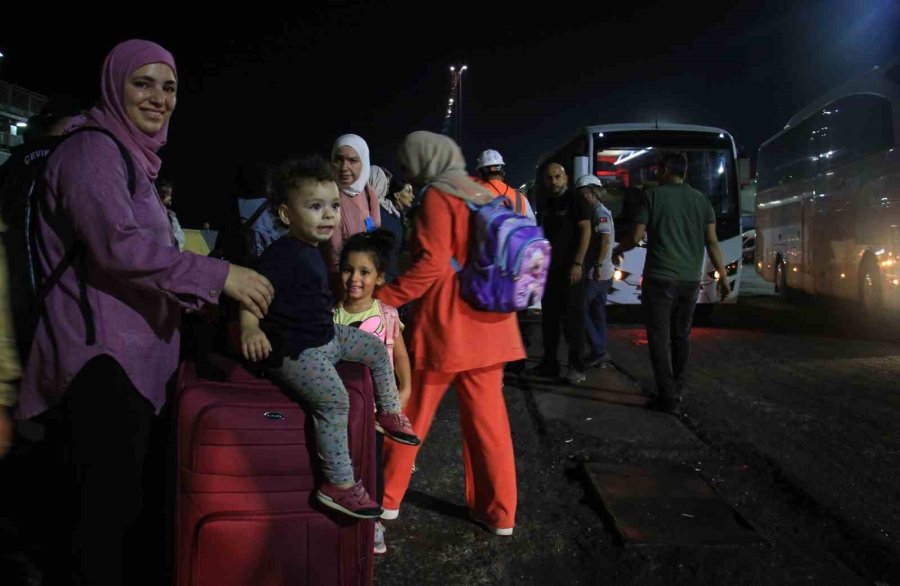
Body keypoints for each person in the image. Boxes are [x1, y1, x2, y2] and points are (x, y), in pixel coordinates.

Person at [14, 40, 274, 585]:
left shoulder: (132, 159)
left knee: (124, 518)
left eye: (170, 86)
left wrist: (197, 291)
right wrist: (219, 276)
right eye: (143, 83)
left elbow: (140, 260)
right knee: (101, 529)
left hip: (133, 363)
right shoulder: (92, 152)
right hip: (101, 365)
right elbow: (119, 248)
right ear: (114, 85)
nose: (159, 98)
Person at [239, 155, 419, 519]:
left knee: (372, 346)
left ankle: (388, 412)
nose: (329, 215)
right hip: (295, 351)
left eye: (334, 205)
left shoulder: (312, 250)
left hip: (324, 335)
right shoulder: (280, 255)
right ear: (287, 215)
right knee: (336, 402)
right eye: (316, 206)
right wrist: (249, 327)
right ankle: (337, 484)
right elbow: (250, 290)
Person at [375, 131, 524, 536]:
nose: (408, 173)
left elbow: (432, 265)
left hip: (448, 327)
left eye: (410, 164)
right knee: (489, 425)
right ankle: (499, 514)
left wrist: (382, 297)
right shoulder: (481, 191)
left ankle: (386, 499)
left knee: (410, 415)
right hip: (494, 324)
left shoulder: (439, 197)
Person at [612, 152, 731, 415]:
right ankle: (676, 388)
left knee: (658, 337)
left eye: (657, 168)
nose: (655, 172)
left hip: (659, 277)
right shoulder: (701, 200)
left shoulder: (652, 197)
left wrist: (617, 249)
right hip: (690, 280)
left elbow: (636, 236)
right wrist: (722, 276)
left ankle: (667, 396)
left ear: (665, 170)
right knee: (681, 335)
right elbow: (711, 241)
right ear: (684, 173)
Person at [334, 229, 412, 554]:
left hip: (376, 413)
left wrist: (402, 394)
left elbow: (401, 359)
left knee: (372, 468)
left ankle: (373, 522)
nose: (355, 278)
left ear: (379, 278)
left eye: (364, 272)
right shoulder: (329, 314)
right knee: (340, 466)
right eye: (348, 269)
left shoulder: (387, 316)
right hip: (340, 411)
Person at [525, 162, 593, 384]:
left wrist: (577, 263)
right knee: (550, 322)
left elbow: (586, 231)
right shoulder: (547, 202)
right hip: (550, 273)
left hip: (570, 271)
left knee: (573, 322)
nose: (553, 181)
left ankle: (577, 367)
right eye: (549, 178)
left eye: (557, 177)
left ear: (565, 178)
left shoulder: (576, 200)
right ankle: (549, 364)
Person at [575, 175, 615, 367]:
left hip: (598, 273)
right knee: (598, 313)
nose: (580, 198)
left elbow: (606, 241)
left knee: (579, 308)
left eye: (582, 194)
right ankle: (600, 353)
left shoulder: (599, 213)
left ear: (592, 193)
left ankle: (598, 350)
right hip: (602, 272)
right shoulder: (595, 212)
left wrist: (598, 265)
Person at [328, 134, 380, 273]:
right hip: (338, 277)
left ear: (364, 162)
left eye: (353, 160)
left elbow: (376, 234)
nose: (344, 167)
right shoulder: (325, 194)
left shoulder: (368, 193)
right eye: (338, 159)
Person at [473, 148, 535, 221]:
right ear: (502, 171)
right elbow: (533, 225)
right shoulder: (520, 197)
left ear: (480, 173)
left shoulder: (473, 197)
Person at [157, 177, 185, 251]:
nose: (164, 197)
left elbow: (179, 236)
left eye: (167, 195)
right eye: (161, 195)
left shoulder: (171, 217)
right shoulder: (148, 212)